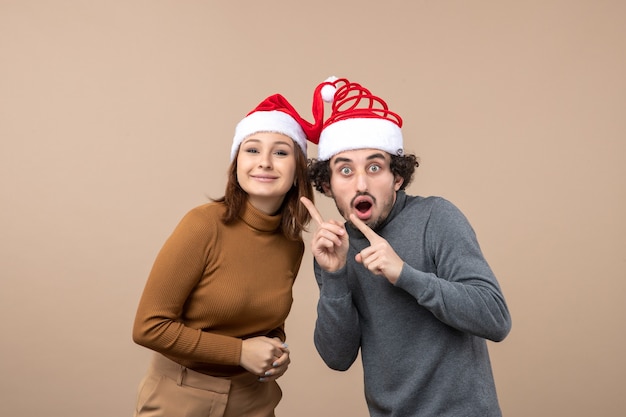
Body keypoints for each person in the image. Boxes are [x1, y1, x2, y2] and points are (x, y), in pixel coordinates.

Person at [300, 77, 512, 417]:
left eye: (374, 167)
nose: (361, 182)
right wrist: (336, 275)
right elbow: (337, 358)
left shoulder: (436, 217)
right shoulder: (333, 249)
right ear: (327, 184)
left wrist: (404, 274)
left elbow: (496, 319)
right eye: (344, 170)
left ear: (396, 177)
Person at [132, 92, 319, 417]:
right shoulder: (203, 225)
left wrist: (277, 349)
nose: (264, 162)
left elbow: (265, 319)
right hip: (181, 397)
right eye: (252, 150)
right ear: (237, 163)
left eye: (280, 152)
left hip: (255, 399)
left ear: (297, 170)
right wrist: (239, 352)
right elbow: (149, 326)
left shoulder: (292, 243)